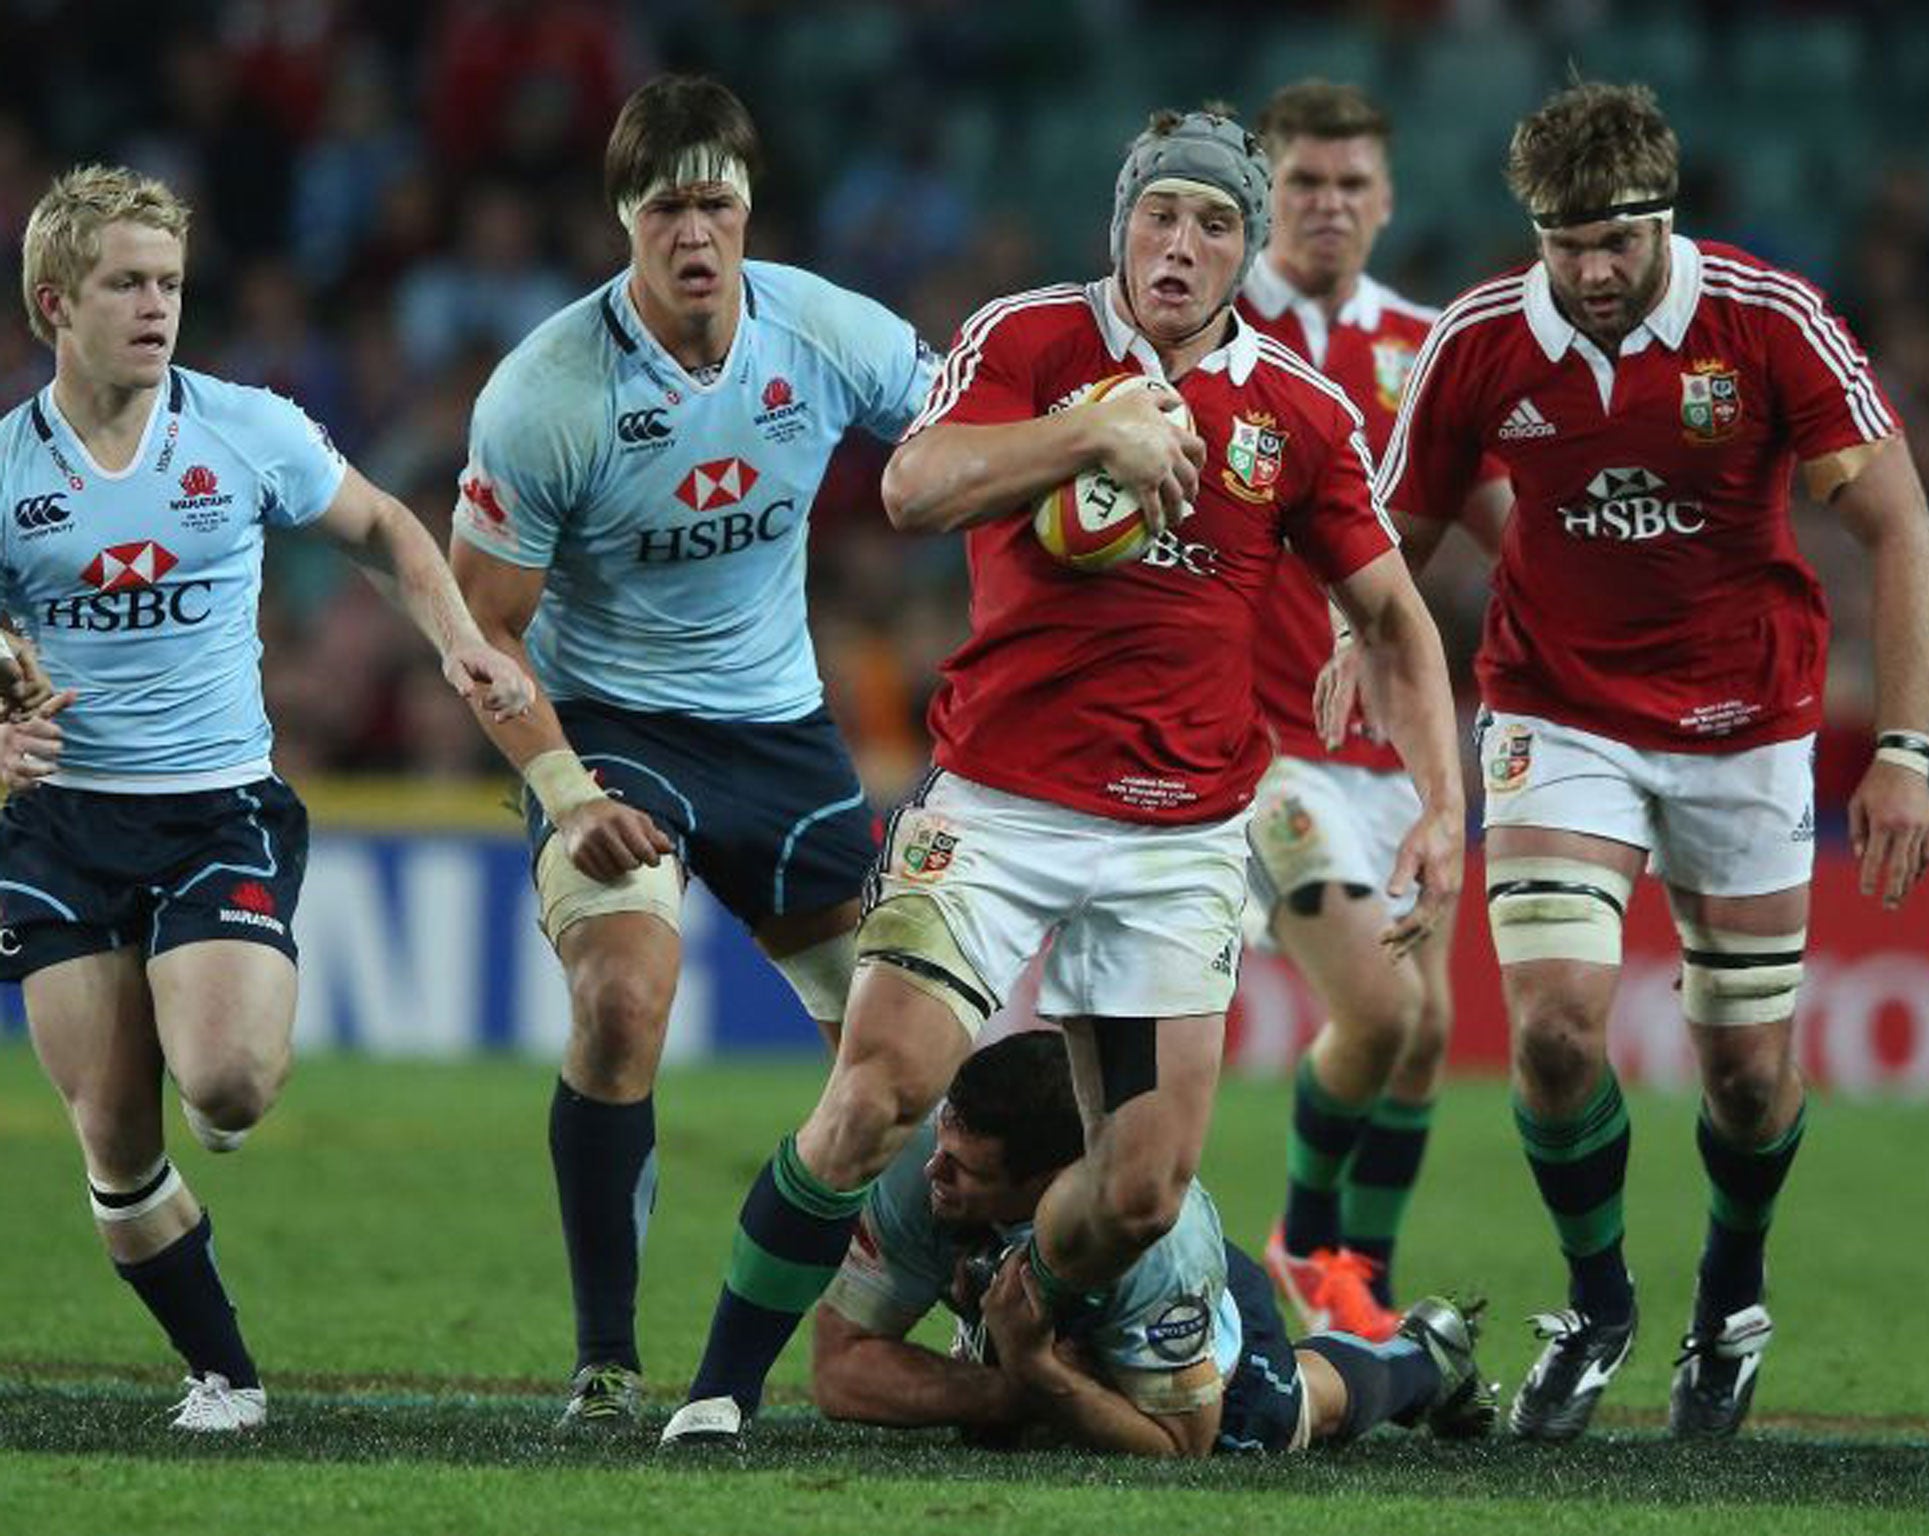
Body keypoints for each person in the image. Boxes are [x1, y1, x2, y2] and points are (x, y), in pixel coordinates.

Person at [666, 106, 1464, 1444]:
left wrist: (1443, 804)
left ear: (1246, 249)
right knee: (877, 1096)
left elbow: (1392, 617)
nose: (1181, 242)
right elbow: (915, 487)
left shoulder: (1299, 414)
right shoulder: (1028, 340)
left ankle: (1025, 1305)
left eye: (1215, 223)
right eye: (1161, 213)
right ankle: (718, 1393)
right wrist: (1088, 439)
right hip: (998, 808)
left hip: (1182, 841)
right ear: (1122, 225)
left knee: (1146, 1188)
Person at [1358, 80, 1929, 1440]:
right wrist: (1359, 632)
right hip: (1557, 713)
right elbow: (1398, 523)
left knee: (1745, 1074)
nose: (1593, 273)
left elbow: (1901, 528)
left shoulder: (1769, 321)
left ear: (1664, 223)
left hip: (1750, 725)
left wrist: (1904, 751)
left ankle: (1729, 1303)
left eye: (1616, 244)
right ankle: (1599, 1302)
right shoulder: (1485, 339)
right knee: (1558, 1030)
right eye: (1566, 246)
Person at [0, 164, 532, 1431]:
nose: (155, 306)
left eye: (170, 283)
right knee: (118, 1151)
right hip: (60, 829)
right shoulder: (5, 471)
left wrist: (458, 639)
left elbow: (390, 530)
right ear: (52, 303)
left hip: (215, 805)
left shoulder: (246, 429)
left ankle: (219, 1061)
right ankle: (224, 1377)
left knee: (229, 1087)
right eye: (126, 283)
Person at [447, 74, 937, 1430]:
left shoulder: (825, 331)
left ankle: (954, 1298)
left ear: (747, 208)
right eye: (668, 205)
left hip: (781, 736)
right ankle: (606, 1360)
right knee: (620, 1004)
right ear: (626, 217)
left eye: (715, 202)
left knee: (900, 1055)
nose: (696, 233)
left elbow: (953, 433)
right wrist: (562, 788)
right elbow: (481, 629)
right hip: (613, 733)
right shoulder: (547, 392)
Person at [1236, 80, 1511, 1343]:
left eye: (1351, 185)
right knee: (1381, 1009)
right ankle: (1301, 1241)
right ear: (1265, 190)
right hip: (1262, 744)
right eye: (1303, 182)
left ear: (1386, 198)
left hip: (1393, 742)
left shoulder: (1428, 345)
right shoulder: (1213, 327)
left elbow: (1510, 527)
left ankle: (1365, 1289)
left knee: (1429, 1031)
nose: (1329, 205)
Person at [810, 1030, 1495, 1455]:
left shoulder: (1162, 1252)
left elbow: (1182, 1446)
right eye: (943, 1147)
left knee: (1293, 1413)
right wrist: (1012, 1391)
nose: (935, 1173)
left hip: (1194, 1335)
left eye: (966, 1170)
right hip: (1066, 1320)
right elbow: (841, 1372)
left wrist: (1039, 1373)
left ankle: (1423, 1357)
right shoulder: (926, 1156)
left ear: (1048, 1182)